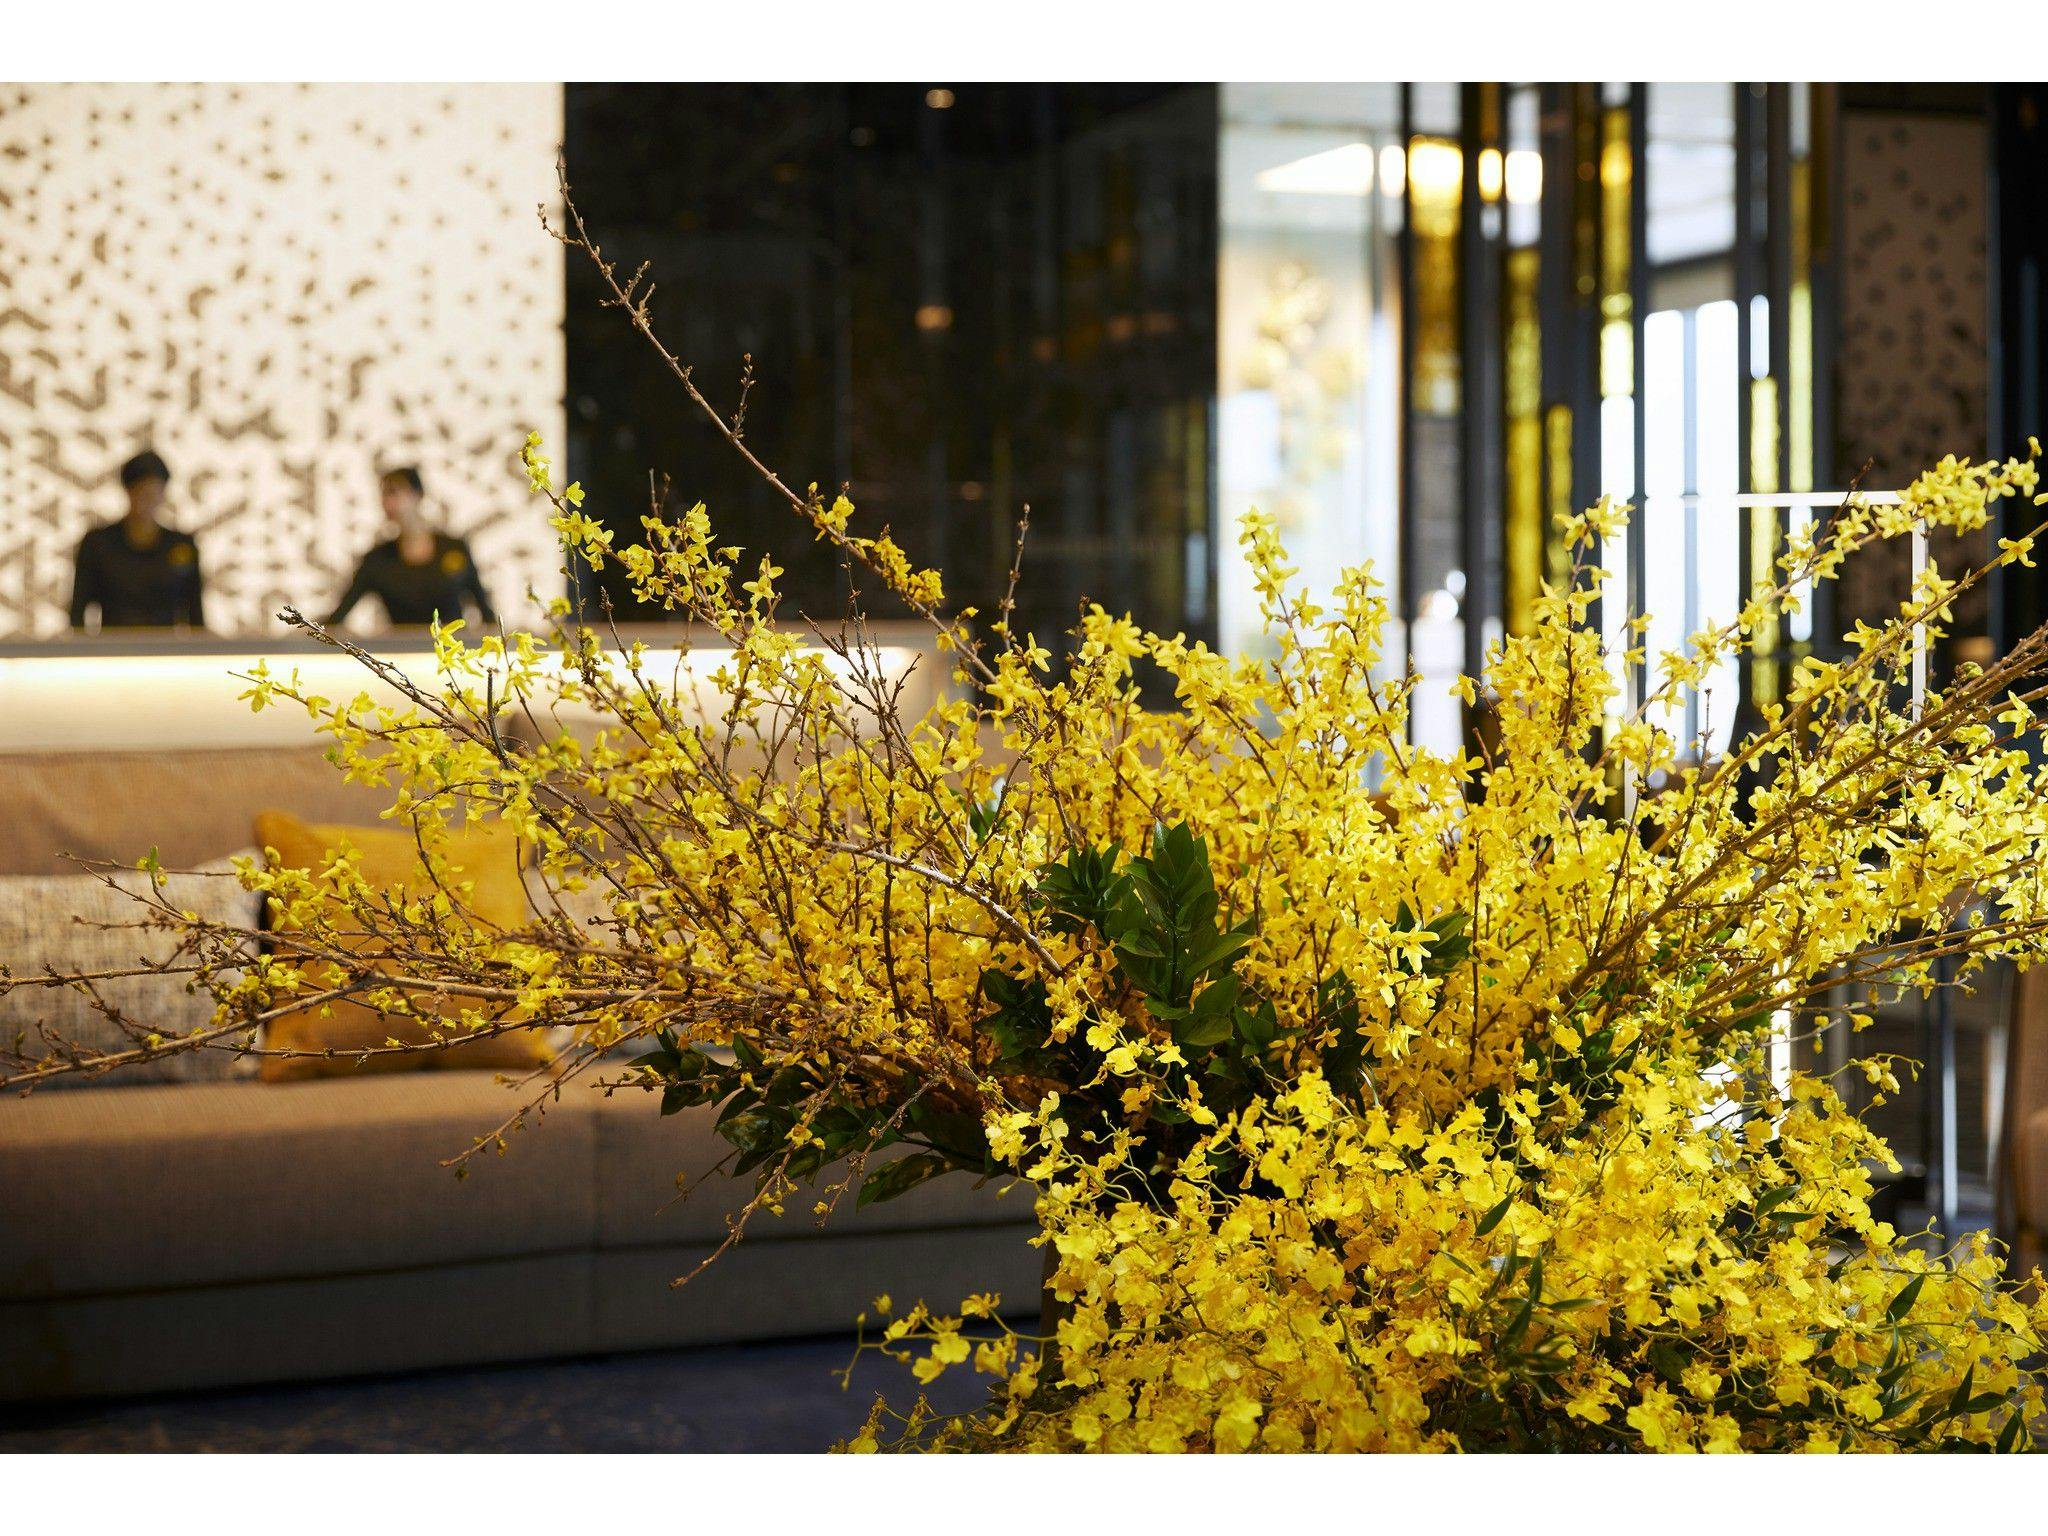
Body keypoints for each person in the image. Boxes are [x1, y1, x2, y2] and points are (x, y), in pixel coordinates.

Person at [326, 466, 497, 629]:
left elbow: (484, 611)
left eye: (394, 492)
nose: (388, 502)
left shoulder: (454, 549)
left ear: (418, 495)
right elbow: (338, 617)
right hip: (403, 648)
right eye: (384, 495)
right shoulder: (378, 560)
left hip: (451, 647)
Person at [68, 450, 206, 630]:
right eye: (143, 493)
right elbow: (78, 612)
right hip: (114, 643)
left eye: (155, 492)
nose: (149, 501)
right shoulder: (98, 544)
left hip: (167, 644)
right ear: (129, 491)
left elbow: (196, 615)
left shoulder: (181, 545)